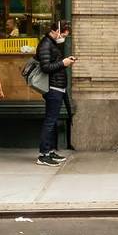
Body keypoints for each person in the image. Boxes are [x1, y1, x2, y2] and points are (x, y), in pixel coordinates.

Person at [35, 20, 75, 167]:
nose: (63, 37)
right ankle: (43, 154)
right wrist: (63, 63)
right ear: (56, 31)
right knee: (50, 121)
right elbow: (45, 67)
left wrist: (64, 61)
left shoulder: (51, 43)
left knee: (52, 120)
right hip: (53, 87)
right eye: (63, 34)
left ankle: (50, 150)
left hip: (57, 86)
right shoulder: (46, 44)